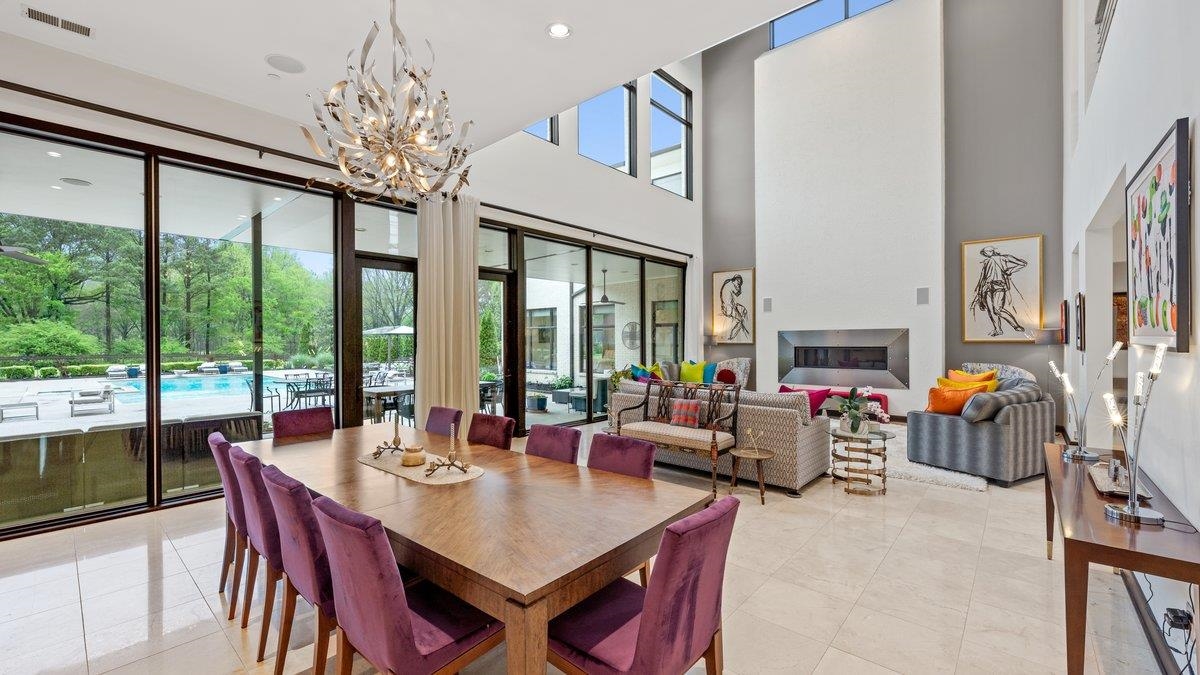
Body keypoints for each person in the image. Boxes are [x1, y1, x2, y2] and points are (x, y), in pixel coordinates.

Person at [972, 246, 1027, 336]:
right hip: (987, 288)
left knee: (997, 310)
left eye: (987, 251)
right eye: (984, 253)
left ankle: (1016, 326)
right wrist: (980, 294)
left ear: (992, 251)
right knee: (991, 311)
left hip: (999, 286)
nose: (985, 254)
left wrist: (1010, 270)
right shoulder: (986, 262)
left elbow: (1023, 264)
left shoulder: (1004, 257)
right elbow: (982, 279)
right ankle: (998, 330)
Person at [719, 274, 750, 341]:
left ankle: (746, 328)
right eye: (738, 282)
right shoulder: (731, 285)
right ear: (735, 280)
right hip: (728, 308)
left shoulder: (728, 283)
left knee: (743, 310)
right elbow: (738, 293)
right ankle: (731, 337)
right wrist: (739, 288)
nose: (739, 283)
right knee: (740, 320)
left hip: (727, 306)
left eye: (740, 282)